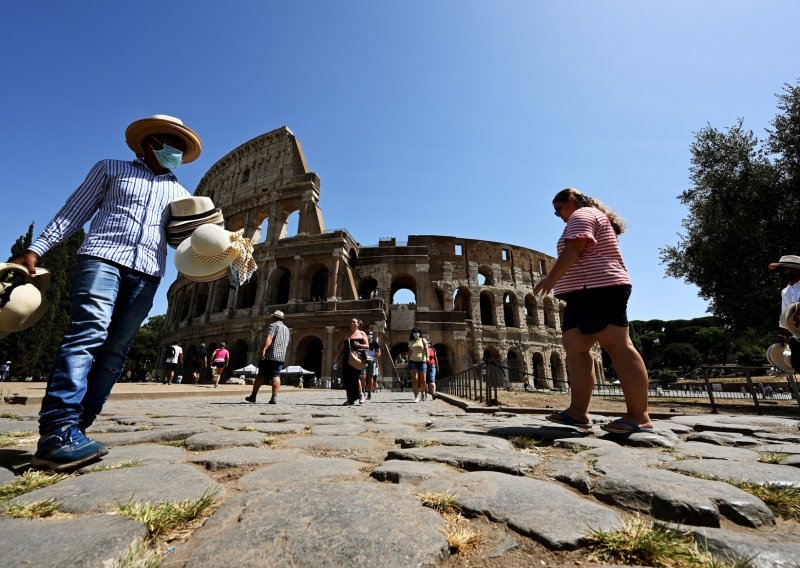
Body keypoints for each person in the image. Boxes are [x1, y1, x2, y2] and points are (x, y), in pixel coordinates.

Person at [10, 114, 202, 470]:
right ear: (148, 143)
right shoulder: (110, 168)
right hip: (102, 257)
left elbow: (184, 245)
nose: (174, 150)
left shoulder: (181, 194)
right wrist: (36, 248)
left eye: (180, 146)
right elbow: (74, 211)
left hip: (147, 271)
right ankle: (56, 429)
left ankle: (77, 429)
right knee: (89, 332)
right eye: (168, 143)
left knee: (115, 352)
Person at [533, 187, 653, 434]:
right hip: (583, 291)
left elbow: (576, 246)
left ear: (572, 200)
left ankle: (639, 417)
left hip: (600, 287)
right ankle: (578, 412)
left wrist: (552, 278)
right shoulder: (588, 215)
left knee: (618, 346)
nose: (558, 215)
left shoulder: (584, 214)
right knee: (575, 346)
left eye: (559, 209)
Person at [246, 310, 290, 404]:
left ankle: (253, 396)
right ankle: (274, 398)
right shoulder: (286, 329)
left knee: (261, 375)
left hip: (269, 355)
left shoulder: (273, 325)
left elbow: (269, 338)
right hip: (280, 356)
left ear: (274, 317)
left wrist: (263, 350)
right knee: (276, 375)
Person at [768, 255, 800, 372]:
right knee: (797, 365)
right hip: (796, 335)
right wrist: (781, 334)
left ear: (794, 269)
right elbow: (784, 314)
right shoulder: (785, 291)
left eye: (783, 269)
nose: (781, 272)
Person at [335, 318, 369, 405]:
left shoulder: (362, 333)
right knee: (347, 379)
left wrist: (360, 345)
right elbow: (342, 348)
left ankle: (361, 395)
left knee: (356, 377)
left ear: (358, 324)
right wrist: (336, 359)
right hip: (346, 358)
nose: (351, 323)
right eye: (350, 322)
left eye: (354, 322)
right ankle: (350, 399)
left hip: (356, 358)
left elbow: (367, 346)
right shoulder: (347, 335)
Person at [407, 327, 428, 403]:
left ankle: (423, 392)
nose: (416, 333)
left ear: (420, 333)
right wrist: (408, 361)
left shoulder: (423, 340)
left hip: (422, 361)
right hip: (413, 361)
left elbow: (426, 349)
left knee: (423, 380)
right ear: (412, 333)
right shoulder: (410, 341)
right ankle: (416, 397)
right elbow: (409, 352)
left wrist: (428, 357)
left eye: (417, 332)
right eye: (415, 332)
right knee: (415, 379)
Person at [361, 330, 381, 400]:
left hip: (372, 361)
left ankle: (369, 392)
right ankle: (363, 391)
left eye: (371, 334)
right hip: (364, 361)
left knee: (370, 377)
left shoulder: (375, 343)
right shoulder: (363, 342)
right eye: (368, 334)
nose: (370, 335)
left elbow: (378, 352)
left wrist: (376, 357)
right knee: (363, 376)